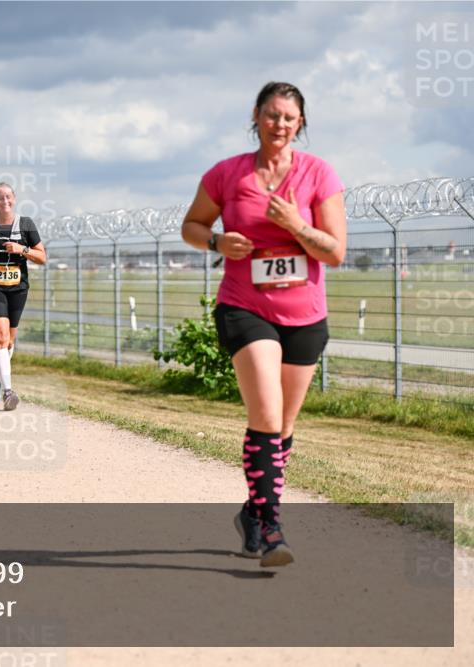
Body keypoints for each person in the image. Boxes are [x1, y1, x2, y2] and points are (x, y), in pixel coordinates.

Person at [181, 82, 346, 567]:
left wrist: (296, 224)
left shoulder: (319, 175)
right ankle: (272, 529)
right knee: (267, 417)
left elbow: (335, 252)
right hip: (244, 307)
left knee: (286, 425)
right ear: (256, 116)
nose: (279, 125)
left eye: (289, 118)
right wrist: (216, 244)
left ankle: (253, 512)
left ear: (301, 125)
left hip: (305, 315)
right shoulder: (227, 174)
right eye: (272, 115)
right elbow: (191, 226)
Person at [0, 183, 47, 411]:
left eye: (9, 197)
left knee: (9, 342)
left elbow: (42, 256)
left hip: (18, 288)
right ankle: (9, 392)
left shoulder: (26, 224)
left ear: (15, 198)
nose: (5, 201)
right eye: (0, 197)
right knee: (1, 337)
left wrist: (21, 249)